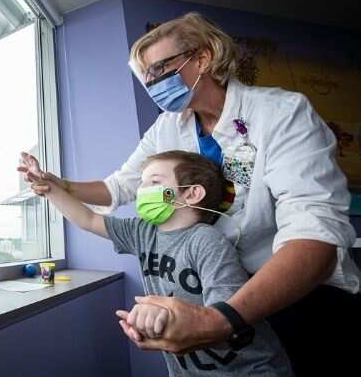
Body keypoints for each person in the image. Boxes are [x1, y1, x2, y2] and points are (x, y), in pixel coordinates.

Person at [19, 12, 361, 375]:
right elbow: (118, 187)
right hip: (213, 302)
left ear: (202, 58)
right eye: (145, 76)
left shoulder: (279, 114)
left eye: (160, 68)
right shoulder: (169, 128)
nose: (152, 83)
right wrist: (60, 185)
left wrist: (218, 321)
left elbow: (314, 232)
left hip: (291, 293)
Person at [29, 150, 291, 375]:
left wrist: (165, 317)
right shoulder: (143, 232)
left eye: (154, 181)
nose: (142, 190)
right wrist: (50, 189)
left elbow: (225, 319)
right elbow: (87, 219)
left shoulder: (208, 242)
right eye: (142, 183)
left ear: (192, 194)